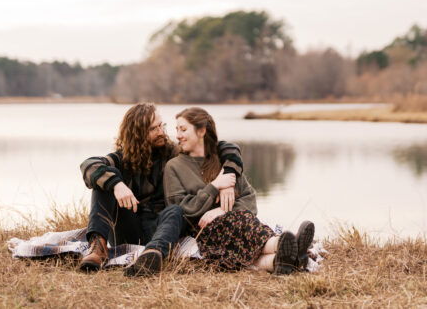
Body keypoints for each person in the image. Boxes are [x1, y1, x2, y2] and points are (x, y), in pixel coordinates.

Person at [78, 102, 245, 276]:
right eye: (153, 129)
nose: (161, 132)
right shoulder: (122, 159)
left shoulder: (173, 153)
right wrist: (117, 184)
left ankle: (152, 256)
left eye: (161, 126)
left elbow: (226, 148)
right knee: (104, 179)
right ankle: (98, 248)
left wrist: (229, 180)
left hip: (162, 230)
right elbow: (88, 165)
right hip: (128, 229)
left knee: (176, 210)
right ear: (138, 134)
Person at [164, 106, 314, 274]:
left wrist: (222, 210)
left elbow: (249, 198)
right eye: (177, 130)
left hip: (236, 224)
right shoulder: (174, 166)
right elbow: (180, 208)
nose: (177, 135)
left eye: (183, 129)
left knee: (241, 219)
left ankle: (281, 261)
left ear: (201, 131)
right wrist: (214, 187)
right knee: (241, 221)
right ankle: (285, 245)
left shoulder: (226, 162)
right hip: (203, 232)